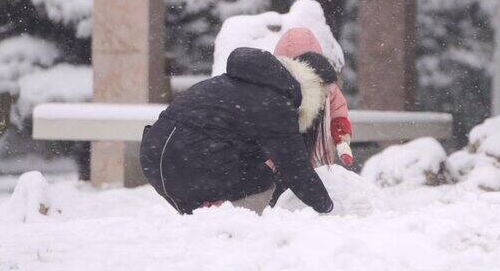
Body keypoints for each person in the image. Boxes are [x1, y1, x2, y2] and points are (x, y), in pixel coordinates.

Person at [139, 46, 338, 215]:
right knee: (268, 176)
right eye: (326, 95)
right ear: (315, 86)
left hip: (155, 157)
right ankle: (235, 229)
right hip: (188, 165)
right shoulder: (276, 104)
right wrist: (328, 207)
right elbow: (295, 170)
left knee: (255, 162)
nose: (323, 105)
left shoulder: (237, 82)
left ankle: (212, 221)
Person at [273, 27, 354, 166]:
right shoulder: (271, 90)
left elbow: (338, 115)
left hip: (317, 159)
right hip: (281, 161)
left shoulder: (328, 90)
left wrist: (341, 140)